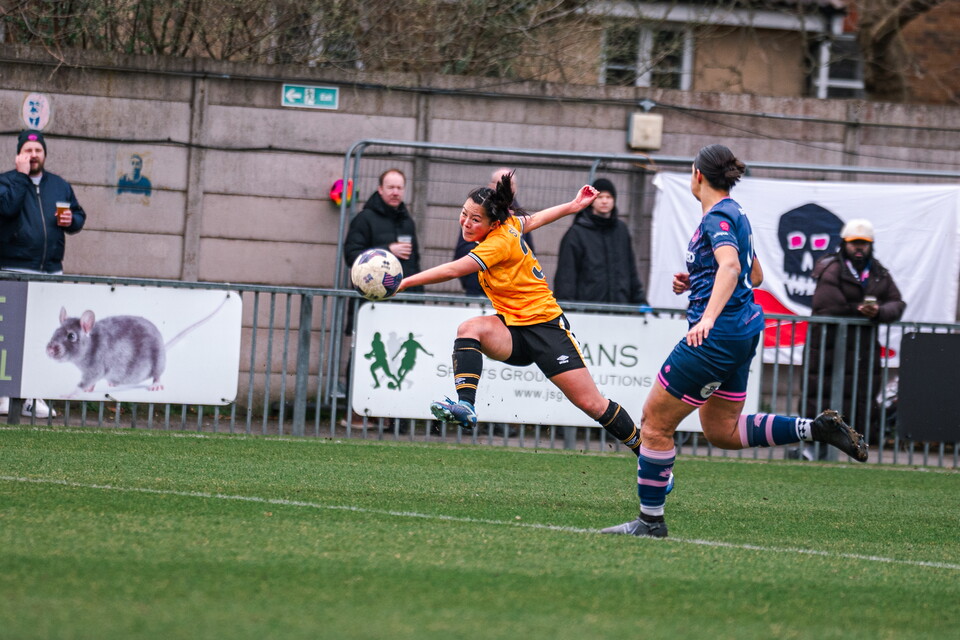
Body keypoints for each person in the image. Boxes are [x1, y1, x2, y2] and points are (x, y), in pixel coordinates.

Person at [601, 144, 868, 539]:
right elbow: (752, 275)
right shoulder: (737, 213)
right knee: (722, 431)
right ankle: (815, 429)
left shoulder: (717, 217)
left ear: (698, 175)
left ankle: (650, 522)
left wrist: (708, 316)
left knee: (654, 424)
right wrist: (698, 279)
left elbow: (730, 266)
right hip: (742, 332)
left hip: (717, 335)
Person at [396, 173, 650, 459]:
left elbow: (454, 269)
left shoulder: (498, 242)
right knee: (470, 329)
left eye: (475, 219)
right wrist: (573, 205)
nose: (466, 222)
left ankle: (647, 454)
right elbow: (536, 218)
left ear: (493, 223)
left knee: (592, 404)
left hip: (546, 329)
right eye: (464, 214)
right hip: (513, 329)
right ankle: (465, 405)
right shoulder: (510, 224)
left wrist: (404, 282)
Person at [0, 130, 86, 419]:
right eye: (28, 150)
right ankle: (4, 395)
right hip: (14, 269)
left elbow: (78, 216)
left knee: (42, 336)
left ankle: (32, 397)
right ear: (19, 154)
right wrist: (21, 177)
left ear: (45, 154)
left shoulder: (59, 185)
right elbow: (7, 209)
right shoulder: (6, 181)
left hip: (50, 271)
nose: (33, 155)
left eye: (38, 150)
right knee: (9, 336)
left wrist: (72, 220)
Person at [802, 218, 905, 450]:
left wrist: (878, 311)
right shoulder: (832, 268)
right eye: (854, 243)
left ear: (871, 245)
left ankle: (857, 446)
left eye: (864, 243)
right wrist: (862, 311)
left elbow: (897, 303)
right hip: (828, 347)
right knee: (821, 394)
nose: (859, 248)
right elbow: (827, 305)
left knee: (862, 396)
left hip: (863, 349)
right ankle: (815, 445)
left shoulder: (878, 272)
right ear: (844, 243)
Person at [554, 177, 648, 305]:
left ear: (614, 200)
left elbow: (630, 269)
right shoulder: (577, 233)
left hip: (620, 308)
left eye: (609, 197)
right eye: (599, 197)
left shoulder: (621, 231)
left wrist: (640, 301)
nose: (604, 201)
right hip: (586, 309)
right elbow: (566, 276)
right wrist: (566, 306)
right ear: (591, 201)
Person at [453, 168, 533, 296]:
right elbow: (461, 251)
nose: (505, 187)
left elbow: (528, 252)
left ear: (515, 188)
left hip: (510, 291)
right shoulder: (476, 213)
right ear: (491, 185)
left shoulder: (519, 218)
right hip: (479, 287)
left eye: (510, 184)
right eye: (500, 183)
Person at [344, 168, 422, 291]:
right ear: (380, 189)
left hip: (405, 296)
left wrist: (418, 295)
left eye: (399, 188)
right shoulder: (364, 219)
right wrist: (388, 251)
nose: (395, 192)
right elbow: (351, 256)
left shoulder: (407, 221)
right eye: (391, 187)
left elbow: (414, 264)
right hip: (373, 296)